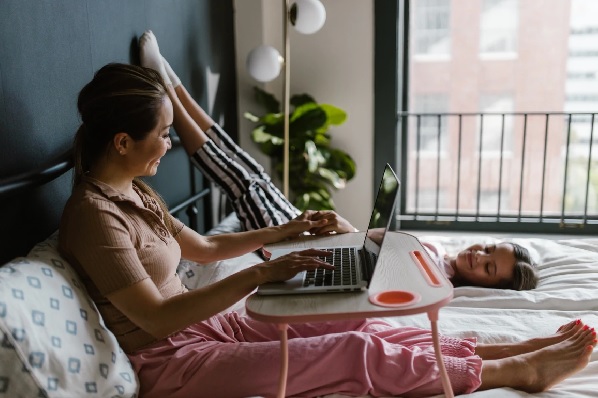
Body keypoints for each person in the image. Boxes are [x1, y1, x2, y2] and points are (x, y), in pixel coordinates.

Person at [57, 33, 596, 397]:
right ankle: (512, 370)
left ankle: (506, 346)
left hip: (206, 326)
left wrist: (284, 230)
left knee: (354, 320)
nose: (170, 145)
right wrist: (264, 272)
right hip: (168, 361)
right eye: (164, 134)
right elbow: (154, 318)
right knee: (351, 348)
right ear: (124, 141)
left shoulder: (135, 191)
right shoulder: (94, 216)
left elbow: (205, 248)